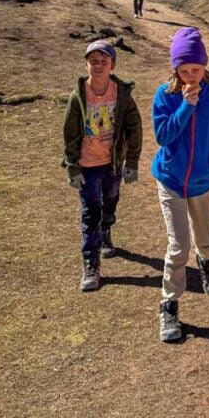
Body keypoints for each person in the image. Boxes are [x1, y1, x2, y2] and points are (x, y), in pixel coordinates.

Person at [152, 27, 209, 342]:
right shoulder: (166, 95)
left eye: (196, 70)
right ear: (175, 68)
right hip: (171, 181)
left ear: (205, 67)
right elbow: (163, 137)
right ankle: (169, 303)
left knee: (203, 237)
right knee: (178, 247)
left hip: (204, 182)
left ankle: (208, 263)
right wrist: (185, 106)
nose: (190, 76)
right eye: (184, 70)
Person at [62, 40, 142, 292]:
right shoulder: (78, 97)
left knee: (110, 198)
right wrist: (72, 166)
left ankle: (107, 228)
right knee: (89, 212)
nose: (98, 66)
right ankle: (91, 264)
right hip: (87, 164)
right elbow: (70, 134)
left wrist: (131, 162)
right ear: (86, 64)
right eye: (93, 61)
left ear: (112, 65)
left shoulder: (122, 94)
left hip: (113, 162)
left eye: (103, 61)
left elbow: (134, 127)